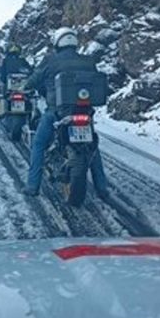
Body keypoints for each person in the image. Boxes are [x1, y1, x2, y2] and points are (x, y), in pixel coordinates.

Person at [23, 28, 109, 199]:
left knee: (38, 144)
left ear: (57, 42)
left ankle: (32, 186)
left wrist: (26, 86)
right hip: (84, 113)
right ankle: (102, 188)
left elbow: (33, 81)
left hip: (56, 112)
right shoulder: (88, 61)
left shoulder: (49, 60)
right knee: (92, 147)